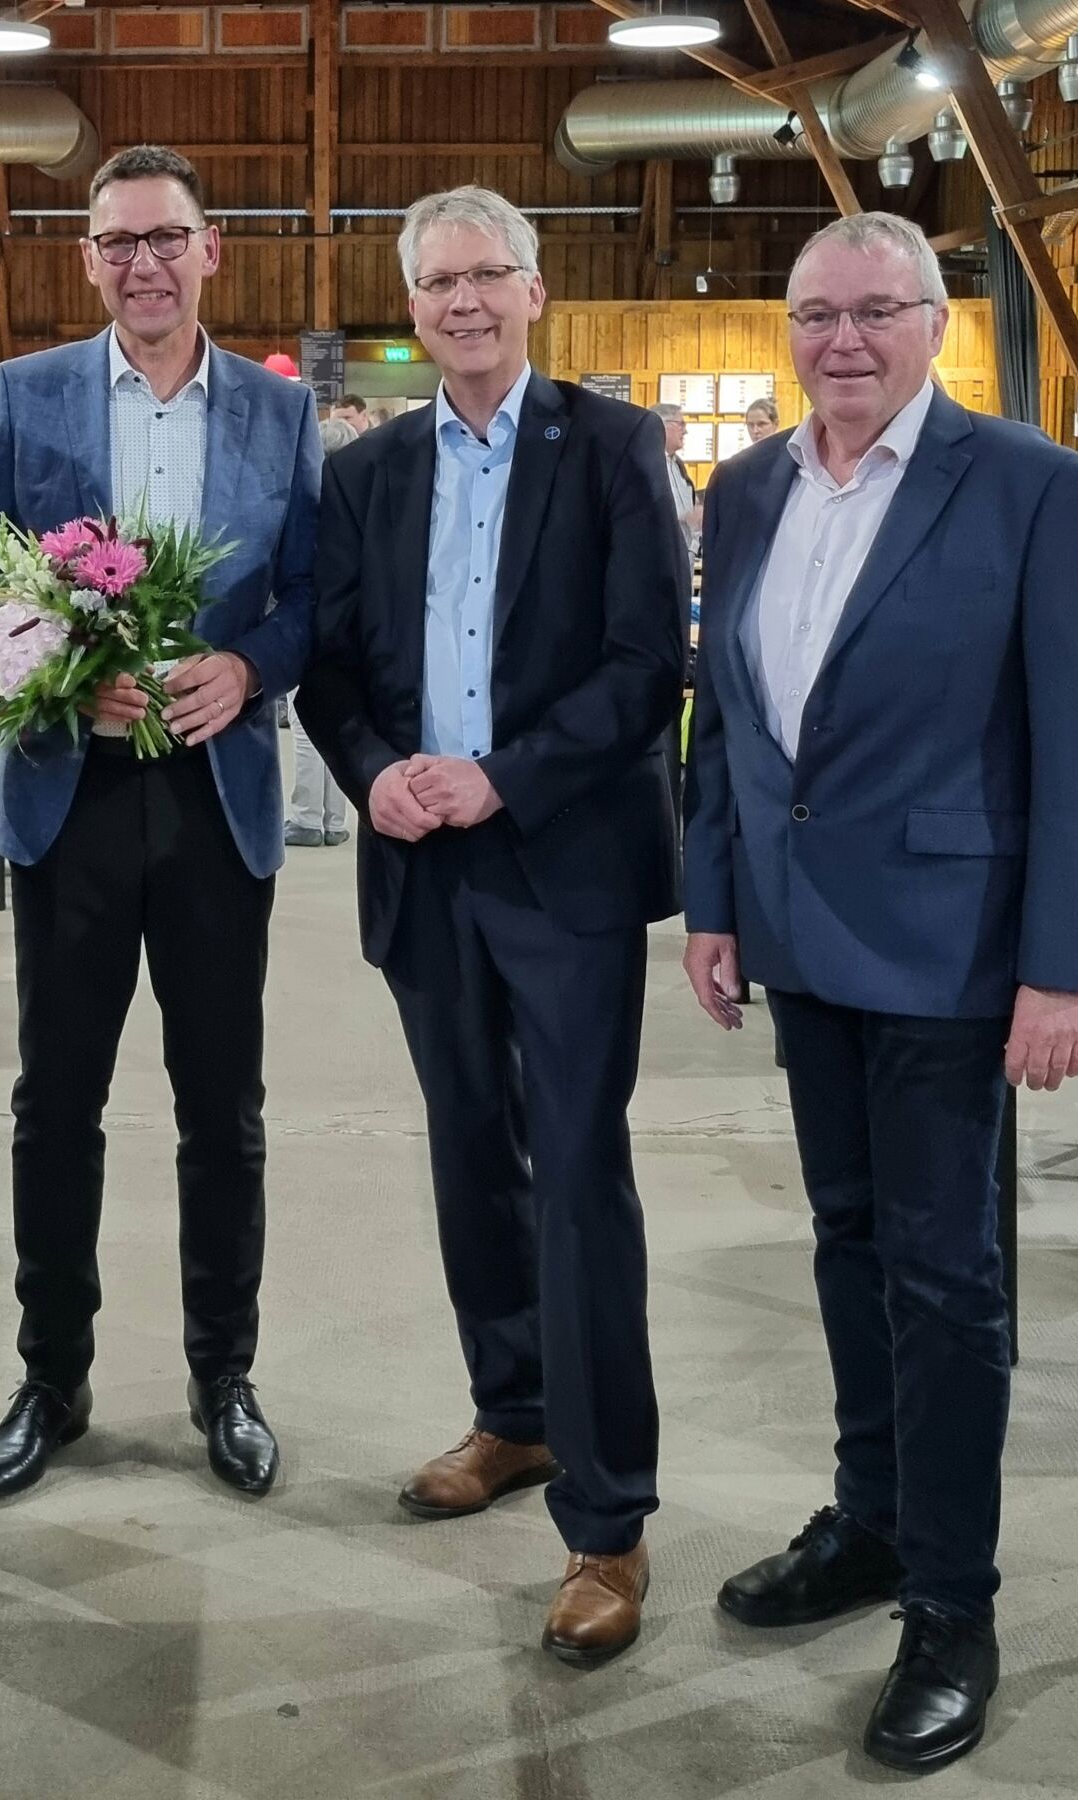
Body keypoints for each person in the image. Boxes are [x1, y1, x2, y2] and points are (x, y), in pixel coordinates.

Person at [682, 212, 1078, 1771]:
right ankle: (870, 1521)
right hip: (805, 947)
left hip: (953, 953)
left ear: (938, 323)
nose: (846, 340)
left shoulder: (1028, 486)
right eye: (818, 314)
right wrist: (717, 905)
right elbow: (725, 720)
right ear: (786, 332)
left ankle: (953, 1601)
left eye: (881, 310)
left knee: (946, 1283)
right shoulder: (743, 491)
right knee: (848, 1245)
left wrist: (1063, 968)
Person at [298, 185, 686, 1667]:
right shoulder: (374, 469)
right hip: (423, 871)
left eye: (489, 276)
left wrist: (500, 776)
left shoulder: (613, 446)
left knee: (581, 1176)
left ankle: (609, 1522)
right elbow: (330, 669)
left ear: (535, 290)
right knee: (473, 1160)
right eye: (439, 282)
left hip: (562, 864)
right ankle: (513, 1417)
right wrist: (377, 771)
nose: (464, 301)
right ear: (413, 308)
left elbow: (654, 664)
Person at [0, 144, 319, 1505]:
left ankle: (226, 1376)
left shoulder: (278, 413)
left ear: (211, 250)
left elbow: (312, 596)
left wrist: (250, 666)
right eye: (119, 244)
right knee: (59, 1103)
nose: (144, 263)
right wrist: (50, 657)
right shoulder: (29, 394)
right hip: (73, 789)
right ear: (88, 260)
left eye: (167, 237)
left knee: (224, 1110)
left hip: (216, 798)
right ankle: (53, 1377)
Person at [286, 416, 355, 848]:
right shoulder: (357, 500)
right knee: (335, 722)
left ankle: (308, 817)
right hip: (347, 630)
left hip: (313, 626)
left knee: (304, 725)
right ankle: (333, 818)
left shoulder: (314, 504)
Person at [654, 401, 702, 556]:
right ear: (663, 426)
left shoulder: (678, 465)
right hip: (661, 555)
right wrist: (685, 517)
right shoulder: (645, 466)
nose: (685, 431)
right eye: (681, 424)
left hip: (684, 555)